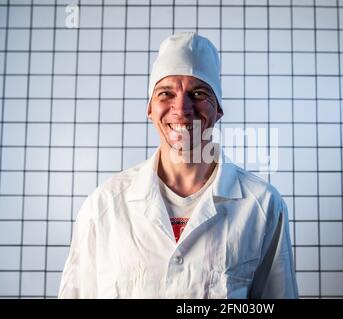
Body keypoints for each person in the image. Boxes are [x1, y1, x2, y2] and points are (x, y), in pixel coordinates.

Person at [58, 32, 298, 299]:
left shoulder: (262, 205)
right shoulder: (103, 207)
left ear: (217, 110)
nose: (182, 109)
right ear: (150, 109)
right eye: (166, 93)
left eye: (198, 93)